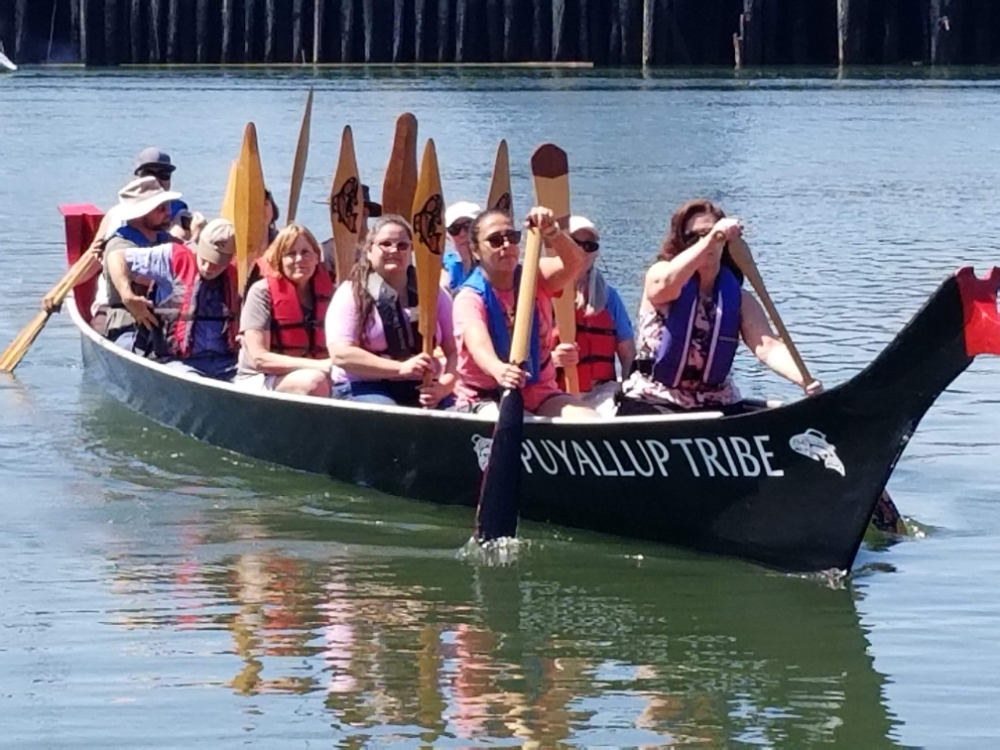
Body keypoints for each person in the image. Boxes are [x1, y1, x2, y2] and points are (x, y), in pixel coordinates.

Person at [620, 199, 822, 416]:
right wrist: (710, 240)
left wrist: (803, 379)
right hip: (655, 400)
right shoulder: (660, 274)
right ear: (680, 242)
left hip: (719, 403)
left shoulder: (739, 298)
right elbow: (664, 285)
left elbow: (768, 347)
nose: (703, 241)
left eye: (709, 233)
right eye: (692, 237)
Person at [452, 207, 599, 420]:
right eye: (495, 240)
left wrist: (553, 232)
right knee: (510, 420)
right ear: (475, 251)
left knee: (589, 420)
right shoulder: (469, 298)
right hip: (485, 397)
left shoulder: (535, 277)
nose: (507, 245)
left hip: (540, 392)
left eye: (512, 237)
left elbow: (575, 263)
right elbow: (478, 343)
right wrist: (498, 369)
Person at [326, 215, 456, 408]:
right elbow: (341, 354)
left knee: (457, 412)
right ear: (369, 251)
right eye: (385, 244)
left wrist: (443, 388)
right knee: (389, 411)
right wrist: (401, 368)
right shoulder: (351, 293)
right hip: (363, 386)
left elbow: (455, 351)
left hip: (422, 385)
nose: (394, 250)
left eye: (402, 245)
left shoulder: (433, 293)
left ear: (411, 250)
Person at [105, 218, 240, 379]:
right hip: (177, 362)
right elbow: (116, 257)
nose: (207, 268)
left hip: (227, 363)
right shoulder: (172, 257)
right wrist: (127, 296)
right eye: (205, 259)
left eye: (217, 264)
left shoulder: (239, 272)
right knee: (191, 379)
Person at [236, 225, 334, 397]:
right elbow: (260, 359)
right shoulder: (261, 292)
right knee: (315, 381)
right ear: (279, 259)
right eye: (290, 254)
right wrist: (321, 365)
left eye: (305, 252)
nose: (299, 259)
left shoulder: (331, 293)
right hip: (261, 378)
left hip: (318, 371)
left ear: (317, 257)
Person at [550, 216, 635, 411]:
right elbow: (522, 357)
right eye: (575, 243)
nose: (582, 251)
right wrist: (552, 360)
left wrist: (628, 390)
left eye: (590, 246)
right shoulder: (540, 292)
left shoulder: (608, 296)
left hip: (600, 392)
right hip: (551, 391)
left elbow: (628, 353)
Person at [95, 176, 183, 344]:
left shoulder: (163, 239)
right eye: (161, 209)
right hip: (128, 325)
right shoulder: (119, 244)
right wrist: (127, 296)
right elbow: (118, 260)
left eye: (168, 206)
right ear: (141, 214)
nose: (169, 213)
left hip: (165, 323)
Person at [133, 147, 189, 231]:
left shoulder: (177, 208)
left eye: (163, 174)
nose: (156, 180)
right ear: (138, 177)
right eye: (148, 174)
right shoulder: (126, 208)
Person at [440, 201, 482, 294]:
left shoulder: (492, 263)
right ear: (447, 236)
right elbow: (443, 282)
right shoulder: (447, 265)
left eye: (468, 226)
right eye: (454, 229)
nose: (462, 234)